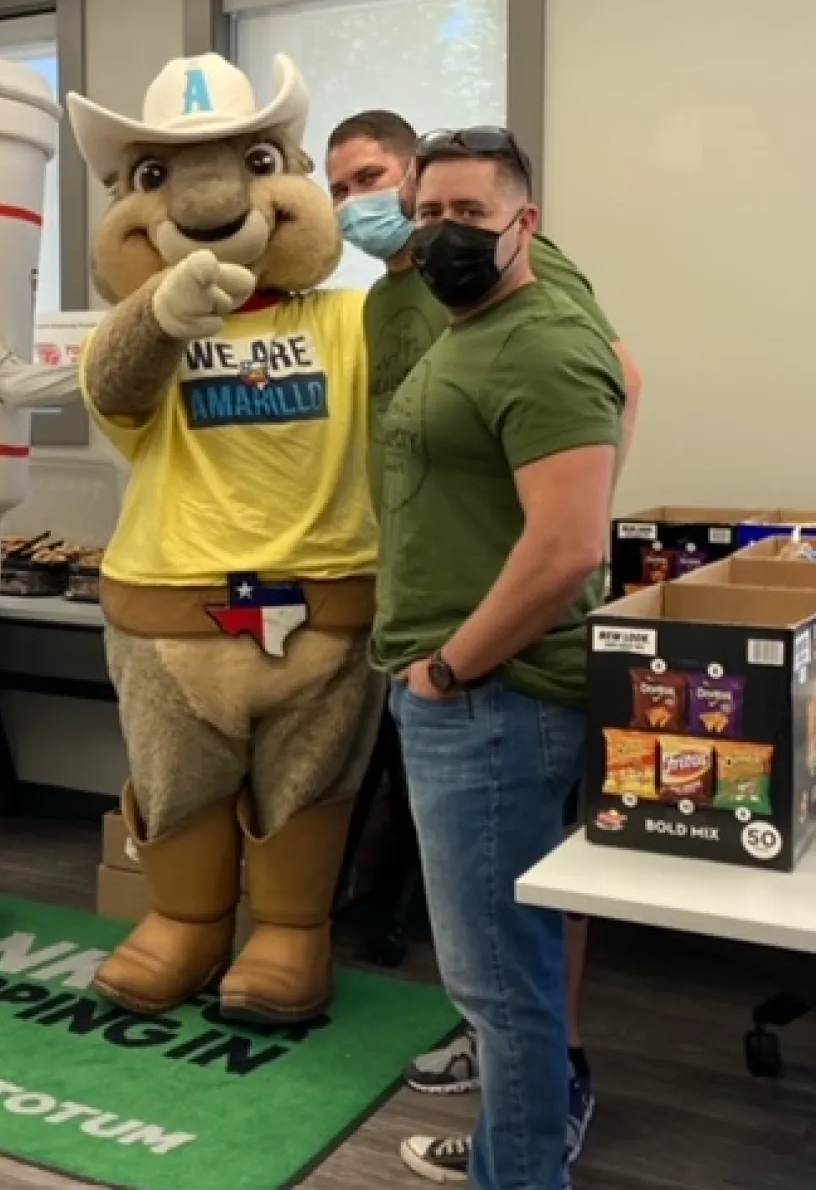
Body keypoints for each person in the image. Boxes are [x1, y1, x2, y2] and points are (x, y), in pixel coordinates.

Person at [327, 111, 642, 1166]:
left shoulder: (545, 336)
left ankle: (521, 1163)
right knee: (506, 976)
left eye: (467, 211)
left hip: (491, 696)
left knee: (498, 982)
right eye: (427, 211)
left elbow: (562, 551)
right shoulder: (458, 326)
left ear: (525, 223)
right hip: (472, 691)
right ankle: (519, 1145)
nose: (439, 230)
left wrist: (451, 665)